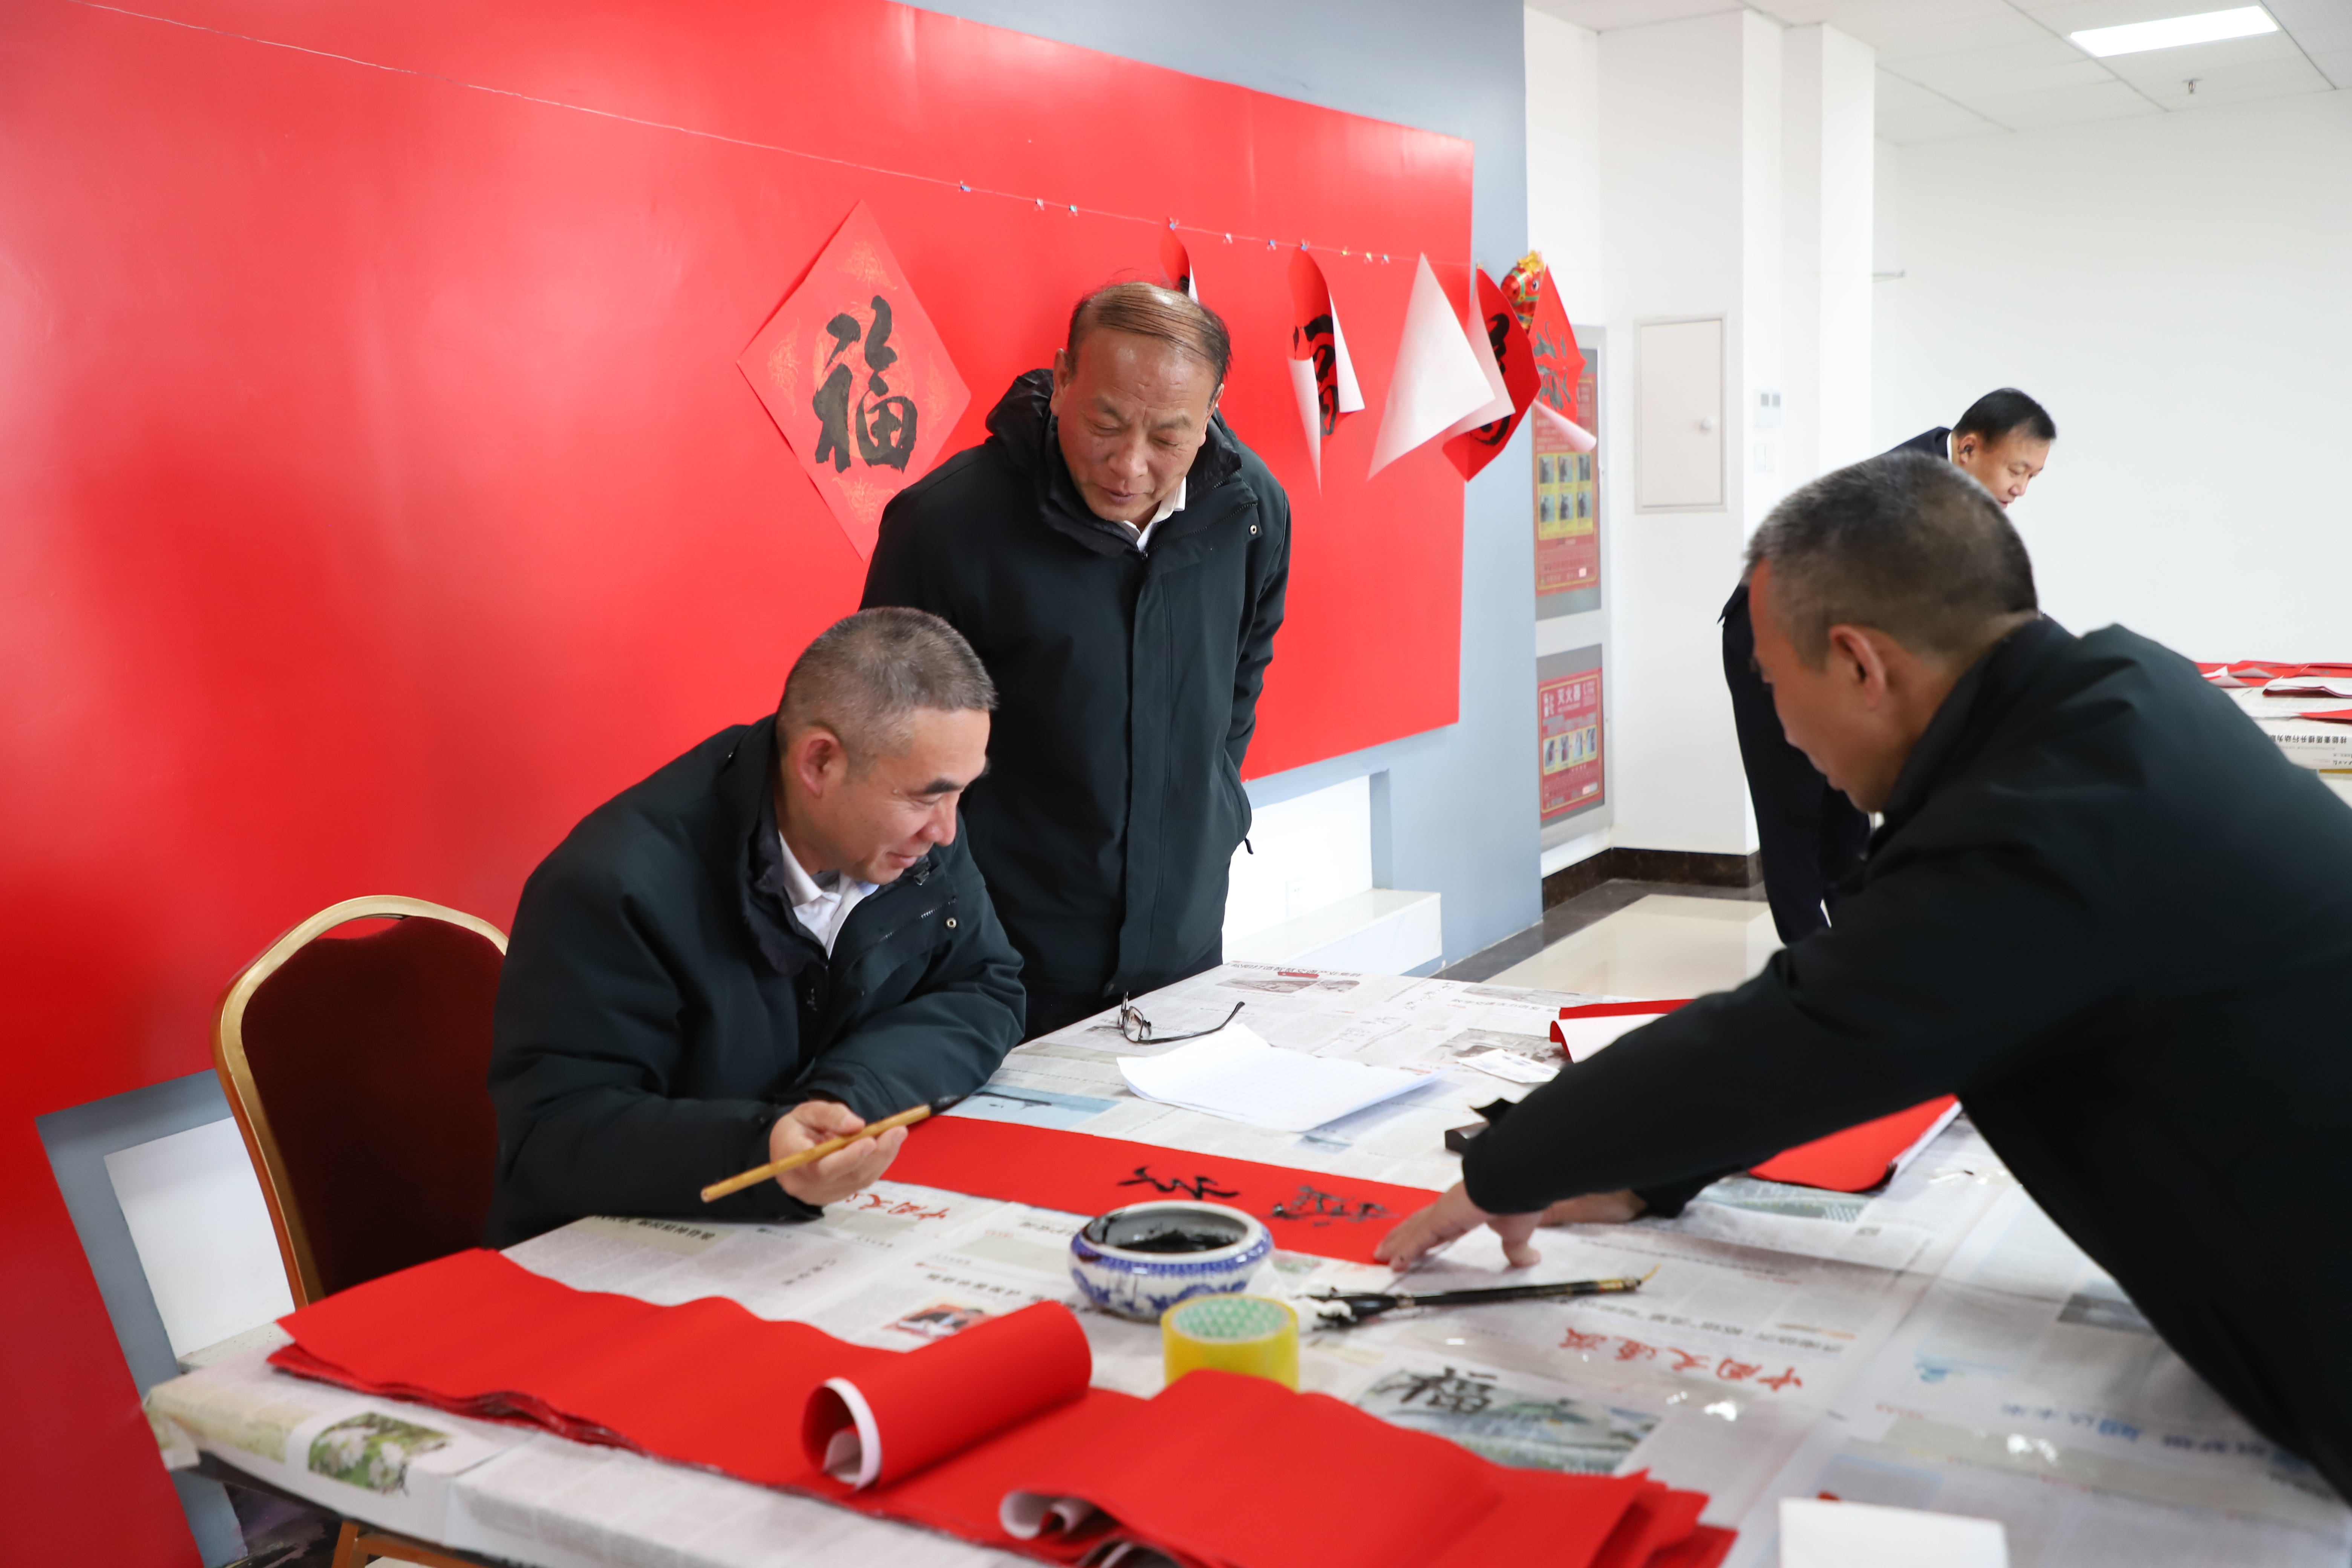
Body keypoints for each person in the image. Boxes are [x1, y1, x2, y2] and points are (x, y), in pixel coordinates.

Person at [1378, 451, 2352, 1500]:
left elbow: (1794, 1037)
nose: (1783, 729)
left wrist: (1507, 1168)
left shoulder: (2037, 831)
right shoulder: (2123, 695)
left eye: (1772, 684)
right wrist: (1650, 1176)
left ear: (1857, 664)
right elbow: (1870, 1015)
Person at [484, 608, 1025, 1245]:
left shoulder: (910, 841)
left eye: (961, 793)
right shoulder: (614, 885)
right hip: (616, 1254)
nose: (947, 831)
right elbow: (554, 1135)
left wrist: (845, 1098)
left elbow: (985, 987)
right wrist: (765, 1150)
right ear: (819, 763)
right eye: (926, 797)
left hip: (798, 1233)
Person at [862, 281, 1289, 1038]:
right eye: (1104, 423)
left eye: (1168, 438)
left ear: (1212, 411)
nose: (1129, 465)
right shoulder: (949, 526)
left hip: (1185, 941)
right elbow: (892, 749)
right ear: (1062, 378)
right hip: (1003, 956)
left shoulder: (1249, 508)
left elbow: (1241, 676)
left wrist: (1210, 810)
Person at [1726, 388, 2058, 944]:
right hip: (1772, 636)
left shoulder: (1963, 495)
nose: (2021, 488)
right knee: (1794, 807)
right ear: (1971, 448)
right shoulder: (1910, 489)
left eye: (2033, 477)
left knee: (1847, 805)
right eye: (2016, 470)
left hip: (1837, 643)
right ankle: (1809, 958)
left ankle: (1860, 942)